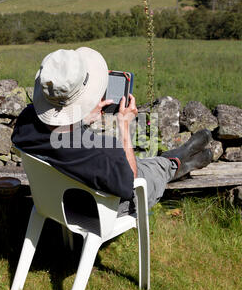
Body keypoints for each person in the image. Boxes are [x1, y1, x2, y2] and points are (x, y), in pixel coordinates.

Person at [12, 47, 212, 216]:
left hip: (53, 204)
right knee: (148, 170)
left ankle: (174, 160)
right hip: (96, 210)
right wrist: (124, 125)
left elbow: (62, 139)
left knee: (138, 162)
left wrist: (82, 117)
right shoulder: (102, 151)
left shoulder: (26, 121)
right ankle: (174, 164)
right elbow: (130, 184)